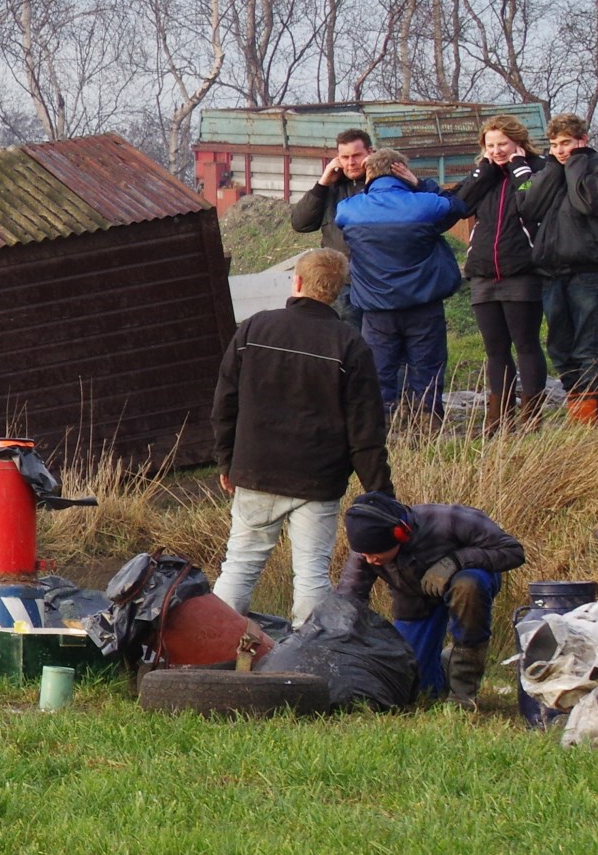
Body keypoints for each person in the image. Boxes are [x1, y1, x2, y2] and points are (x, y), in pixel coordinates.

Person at [208, 247, 392, 626]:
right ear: (339, 291)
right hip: (318, 480)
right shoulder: (350, 345)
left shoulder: (254, 328)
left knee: (240, 564)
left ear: (297, 281)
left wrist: (226, 460)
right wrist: (381, 495)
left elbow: (224, 403)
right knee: (311, 575)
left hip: (255, 469)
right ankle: (307, 659)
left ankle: (213, 649)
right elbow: (366, 432)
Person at [338, 490, 525, 707]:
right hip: (415, 601)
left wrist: (455, 561)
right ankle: (446, 666)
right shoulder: (367, 549)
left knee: (468, 586)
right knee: (416, 690)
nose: (370, 560)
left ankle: (463, 691)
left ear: (399, 534)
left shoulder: (451, 520)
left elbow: (513, 551)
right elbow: (349, 599)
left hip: (468, 583)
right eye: (365, 554)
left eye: (376, 553)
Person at [334, 149, 469, 417]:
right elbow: (458, 206)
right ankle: (426, 431)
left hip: (376, 310)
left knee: (379, 374)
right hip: (424, 307)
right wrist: (420, 184)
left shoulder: (349, 208)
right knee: (427, 373)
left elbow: (340, 221)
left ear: (369, 173)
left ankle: (381, 431)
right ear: (402, 171)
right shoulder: (425, 204)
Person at [447, 114, 557, 425]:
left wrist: (518, 167)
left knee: (525, 344)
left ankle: (531, 417)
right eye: (490, 145)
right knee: (495, 349)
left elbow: (531, 204)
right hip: (483, 272)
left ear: (518, 143)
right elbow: (460, 206)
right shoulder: (486, 174)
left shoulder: (537, 169)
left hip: (521, 270)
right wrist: (484, 172)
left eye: (502, 144)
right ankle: (498, 418)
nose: (496, 151)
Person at [534, 114, 598, 409]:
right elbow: (529, 206)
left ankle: (589, 415)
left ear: (582, 141)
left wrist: (578, 161)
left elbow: (587, 202)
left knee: (588, 346)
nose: (559, 150)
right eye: (554, 145)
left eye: (566, 143)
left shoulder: (591, 167)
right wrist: (550, 168)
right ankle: (579, 404)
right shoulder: (551, 170)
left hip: (586, 270)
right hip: (550, 271)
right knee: (559, 348)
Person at [288, 128, 374, 322]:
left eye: (356, 155)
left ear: (370, 153)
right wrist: (322, 184)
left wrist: (373, 179)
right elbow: (300, 224)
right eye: (345, 157)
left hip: (376, 281)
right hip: (341, 284)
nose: (351, 163)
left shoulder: (385, 184)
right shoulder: (330, 188)